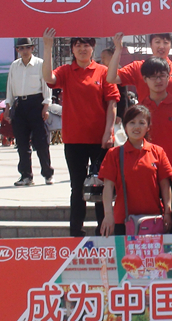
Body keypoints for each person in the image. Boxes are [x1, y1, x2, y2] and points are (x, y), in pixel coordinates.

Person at [42, 29, 120, 237]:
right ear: (72, 50)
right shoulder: (66, 71)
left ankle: (104, 230)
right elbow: (48, 78)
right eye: (78, 45)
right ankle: (76, 231)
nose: (82, 49)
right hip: (74, 140)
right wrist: (48, 47)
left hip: (100, 140)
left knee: (102, 186)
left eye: (86, 45)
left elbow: (112, 103)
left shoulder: (103, 72)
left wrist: (109, 131)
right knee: (77, 187)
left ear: (93, 48)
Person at [99, 105, 172, 236]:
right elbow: (108, 187)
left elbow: (165, 185)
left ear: (148, 127)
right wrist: (108, 215)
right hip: (123, 220)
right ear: (125, 126)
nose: (136, 127)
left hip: (153, 219)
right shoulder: (114, 154)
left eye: (141, 123)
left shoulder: (158, 152)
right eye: (132, 122)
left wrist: (167, 212)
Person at [5, 37, 55, 186]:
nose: (24, 51)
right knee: (21, 143)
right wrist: (8, 107)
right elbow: (10, 87)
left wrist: (46, 106)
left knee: (41, 142)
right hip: (20, 104)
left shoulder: (40, 64)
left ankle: (48, 174)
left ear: (32, 48)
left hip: (36, 104)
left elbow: (46, 86)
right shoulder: (14, 66)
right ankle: (26, 176)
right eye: (21, 48)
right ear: (17, 50)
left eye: (27, 47)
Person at [137, 57, 172, 163]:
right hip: (147, 165)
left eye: (162, 76)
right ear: (145, 79)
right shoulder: (140, 109)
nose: (158, 80)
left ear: (168, 77)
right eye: (153, 76)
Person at [107, 32, 172, 100]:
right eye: (157, 42)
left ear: (170, 45)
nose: (161, 46)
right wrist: (118, 50)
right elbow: (111, 78)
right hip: (146, 116)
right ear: (150, 44)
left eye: (165, 42)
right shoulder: (138, 67)